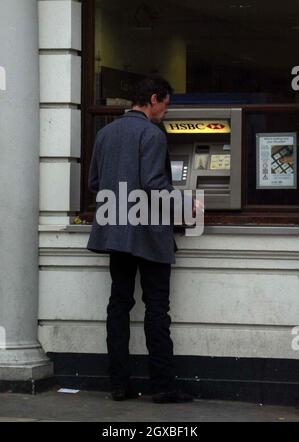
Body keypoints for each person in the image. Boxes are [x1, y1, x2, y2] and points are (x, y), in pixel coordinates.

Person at [87, 76, 193, 403]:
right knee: (156, 309)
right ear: (152, 98)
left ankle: (119, 384)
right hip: (149, 233)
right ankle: (162, 386)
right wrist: (187, 204)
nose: (166, 111)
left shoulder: (104, 133)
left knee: (118, 306)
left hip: (116, 232)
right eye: (165, 104)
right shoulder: (152, 133)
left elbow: (94, 183)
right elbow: (153, 185)